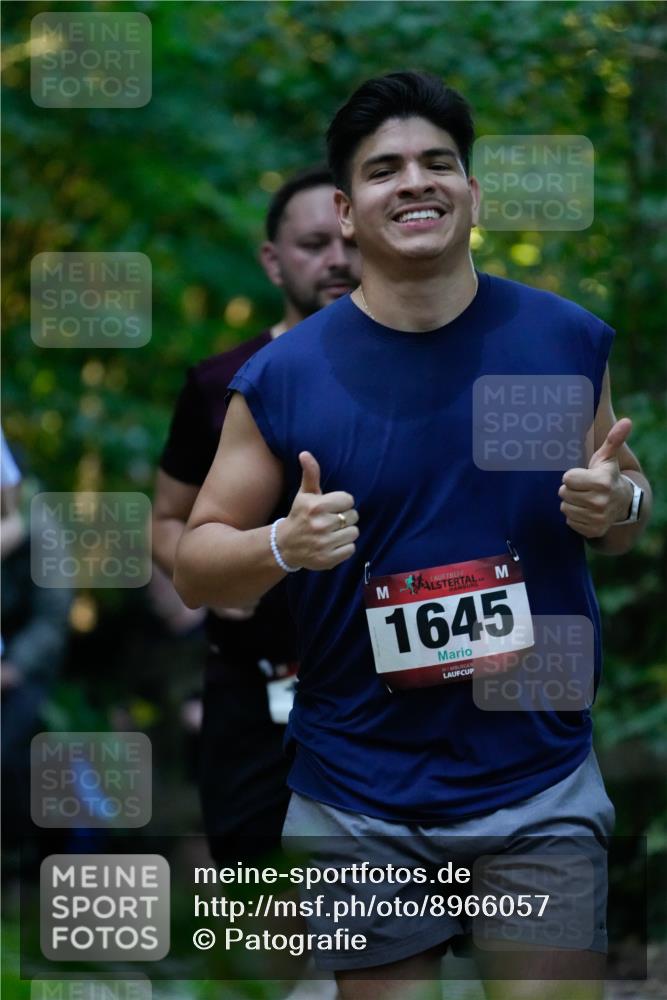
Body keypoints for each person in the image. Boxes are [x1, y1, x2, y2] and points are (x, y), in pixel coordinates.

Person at [174, 72, 652, 999]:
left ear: (472, 192)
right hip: (358, 795)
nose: (416, 181)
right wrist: (284, 544)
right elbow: (197, 564)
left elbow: (625, 498)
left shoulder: (561, 339)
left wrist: (619, 507)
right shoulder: (284, 377)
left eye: (439, 162)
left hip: (537, 781)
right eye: (385, 169)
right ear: (349, 214)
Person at [152, 165, 360, 864]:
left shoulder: (420, 369)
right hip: (252, 678)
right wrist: (225, 575)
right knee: (259, 877)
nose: (336, 260)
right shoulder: (218, 386)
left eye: (347, 240)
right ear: (272, 260)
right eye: (312, 244)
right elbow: (165, 521)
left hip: (384, 679)